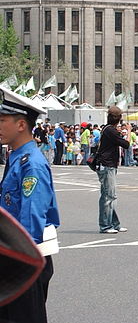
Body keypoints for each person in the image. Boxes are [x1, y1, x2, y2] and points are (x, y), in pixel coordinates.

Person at [0, 86, 59, 323]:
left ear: (21, 125)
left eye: (2, 120)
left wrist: (15, 265)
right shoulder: (16, 157)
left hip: (24, 260)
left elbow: (30, 222)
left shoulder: (31, 164)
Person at [95, 106, 130, 234]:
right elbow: (126, 144)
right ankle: (105, 225)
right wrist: (129, 131)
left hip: (107, 165)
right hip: (107, 165)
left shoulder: (107, 129)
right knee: (109, 196)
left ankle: (114, 223)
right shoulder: (111, 131)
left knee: (107, 195)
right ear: (118, 119)